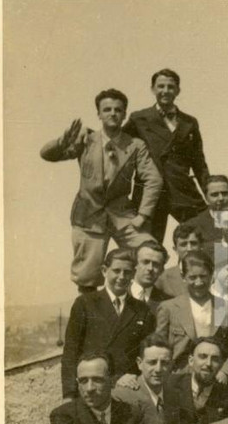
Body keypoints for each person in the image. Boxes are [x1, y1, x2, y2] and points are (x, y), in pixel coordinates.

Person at [40, 88, 163, 291]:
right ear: (98, 114)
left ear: (124, 114)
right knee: (87, 276)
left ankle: (139, 310)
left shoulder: (135, 145)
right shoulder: (86, 140)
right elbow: (47, 154)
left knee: (149, 253)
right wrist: (62, 142)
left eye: (118, 109)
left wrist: (143, 215)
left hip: (123, 215)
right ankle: (90, 318)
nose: (112, 113)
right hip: (89, 215)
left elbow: (154, 179)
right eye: (107, 109)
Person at [122, 68, 210, 242]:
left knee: (207, 235)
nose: (165, 91)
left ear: (178, 90)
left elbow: (199, 163)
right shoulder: (139, 118)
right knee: (148, 247)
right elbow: (119, 145)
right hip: (151, 194)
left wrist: (211, 193)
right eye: (160, 86)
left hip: (182, 189)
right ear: (152, 89)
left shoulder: (189, 122)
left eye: (171, 87)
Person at [61, 248, 155, 399]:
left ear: (133, 274)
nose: (122, 277)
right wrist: (68, 394)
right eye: (116, 271)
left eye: (127, 272)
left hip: (129, 389)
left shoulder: (142, 309)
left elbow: (145, 354)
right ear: (104, 271)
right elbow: (71, 352)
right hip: (91, 388)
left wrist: (132, 378)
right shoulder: (85, 303)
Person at [155, 250, 228, 371]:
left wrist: (225, 371)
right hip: (179, 375)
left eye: (203, 276)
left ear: (212, 275)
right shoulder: (169, 308)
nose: (198, 282)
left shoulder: (223, 306)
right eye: (192, 277)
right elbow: (158, 347)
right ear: (183, 277)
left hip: (214, 374)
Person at [162, 337, 228, 424]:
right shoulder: (171, 384)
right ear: (191, 361)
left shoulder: (227, 396)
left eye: (215, 359)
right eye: (203, 356)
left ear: (221, 364)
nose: (208, 363)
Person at [180, 174, 228, 258]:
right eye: (215, 194)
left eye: (224, 193)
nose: (220, 198)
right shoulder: (193, 224)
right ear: (206, 197)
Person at [156, 223, 205, 298]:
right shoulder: (163, 278)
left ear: (201, 246)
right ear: (175, 249)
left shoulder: (213, 275)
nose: (189, 249)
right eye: (183, 244)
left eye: (193, 243)